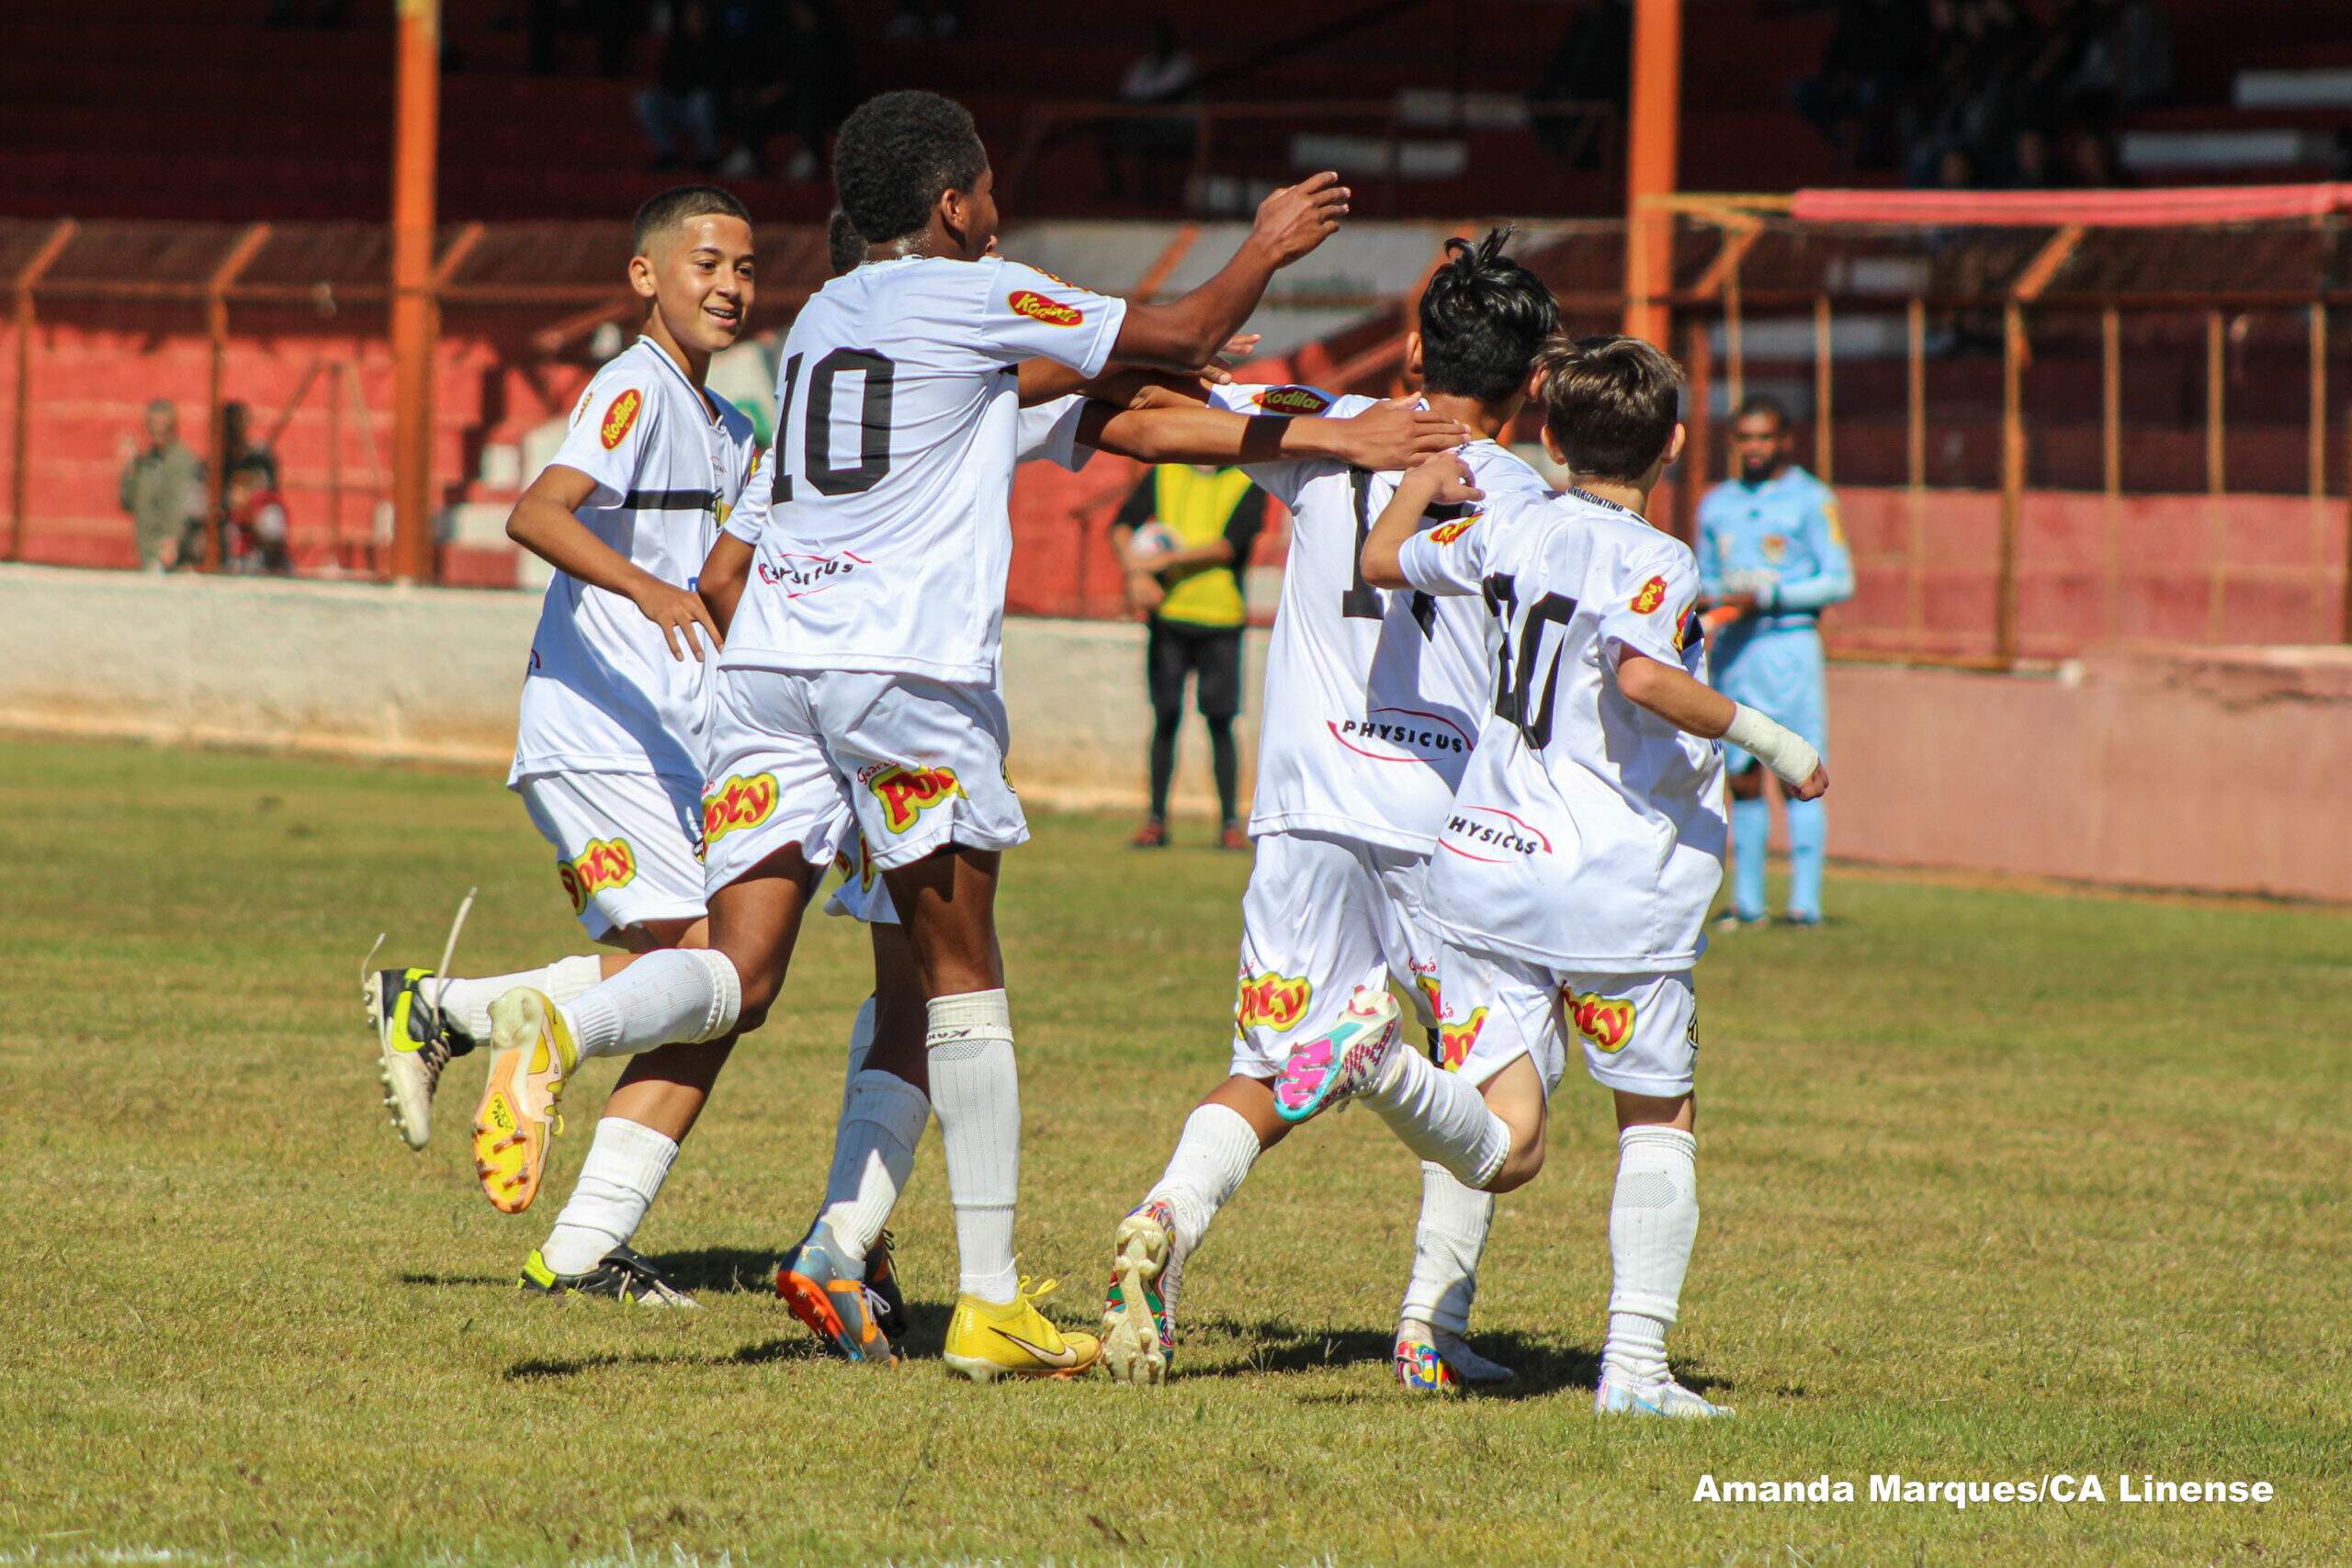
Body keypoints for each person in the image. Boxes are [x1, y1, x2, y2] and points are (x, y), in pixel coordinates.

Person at [470, 89, 1353, 1381]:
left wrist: (1166, 368)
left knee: (748, 968)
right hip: (904, 676)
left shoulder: (829, 314)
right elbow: (1181, 329)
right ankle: (989, 1297)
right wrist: (1269, 240)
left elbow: (1083, 381)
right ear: (956, 205)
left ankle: (574, 1034)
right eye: (989, 185)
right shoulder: (977, 291)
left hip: (772, 671)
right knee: (963, 977)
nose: (998, 209)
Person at [1096, 231, 1558, 1393]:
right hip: (1445, 828)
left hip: (1305, 808)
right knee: (1503, 1103)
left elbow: (1134, 418)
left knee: (1271, 1063)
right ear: (1533, 387)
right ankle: (1429, 1329)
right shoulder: (1533, 505)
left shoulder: (1328, 422)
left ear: (1412, 349)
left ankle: (1167, 1215)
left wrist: (1253, 397)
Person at [1340, 334, 1828, 1419]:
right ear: (1676, 446)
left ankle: (1381, 1090)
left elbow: (1380, 565)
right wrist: (1778, 744)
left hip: (1480, 866)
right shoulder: (1659, 559)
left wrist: (1418, 487)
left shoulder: (1506, 522)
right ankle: (1638, 1374)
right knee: (1657, 1118)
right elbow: (1646, 675)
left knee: (1504, 1138)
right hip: (1610, 881)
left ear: (1549, 439)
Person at [363, 186, 761, 1308]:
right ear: (645, 277)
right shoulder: (633, 388)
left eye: (744, 267)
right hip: (598, 735)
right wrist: (646, 589)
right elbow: (538, 512)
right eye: (705, 262)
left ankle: (443, 1015)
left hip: (676, 746)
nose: (729, 284)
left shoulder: (729, 428)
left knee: (710, 986)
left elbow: (723, 585)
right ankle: (585, 1243)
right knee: (718, 970)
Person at [1696, 396, 1853, 929]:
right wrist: (1718, 595)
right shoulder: (1717, 503)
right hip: (1736, 650)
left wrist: (1769, 596)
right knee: (1740, 775)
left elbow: (1839, 579)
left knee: (1799, 772)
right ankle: (1748, 904)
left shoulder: (1811, 499)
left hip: (1789, 645)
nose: (1754, 447)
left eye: (1764, 437)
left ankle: (1805, 905)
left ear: (1785, 439)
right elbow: (1706, 576)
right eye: (1744, 438)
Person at [1111, 462, 1264, 849]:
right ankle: (1155, 822)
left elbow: (1229, 546)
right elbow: (1122, 525)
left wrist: (1162, 562)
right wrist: (1135, 573)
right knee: (1165, 718)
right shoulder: (1165, 472)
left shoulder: (1247, 479)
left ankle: (1230, 825)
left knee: (1220, 722)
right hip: (1168, 616)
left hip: (1221, 617)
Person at [117, 400, 204, 572]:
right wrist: (128, 469)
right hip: (148, 554)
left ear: (173, 425)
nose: (158, 430)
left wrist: (175, 539)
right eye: (153, 424)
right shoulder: (146, 463)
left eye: (163, 424)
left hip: (176, 558)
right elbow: (127, 503)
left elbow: (190, 507)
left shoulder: (184, 461)